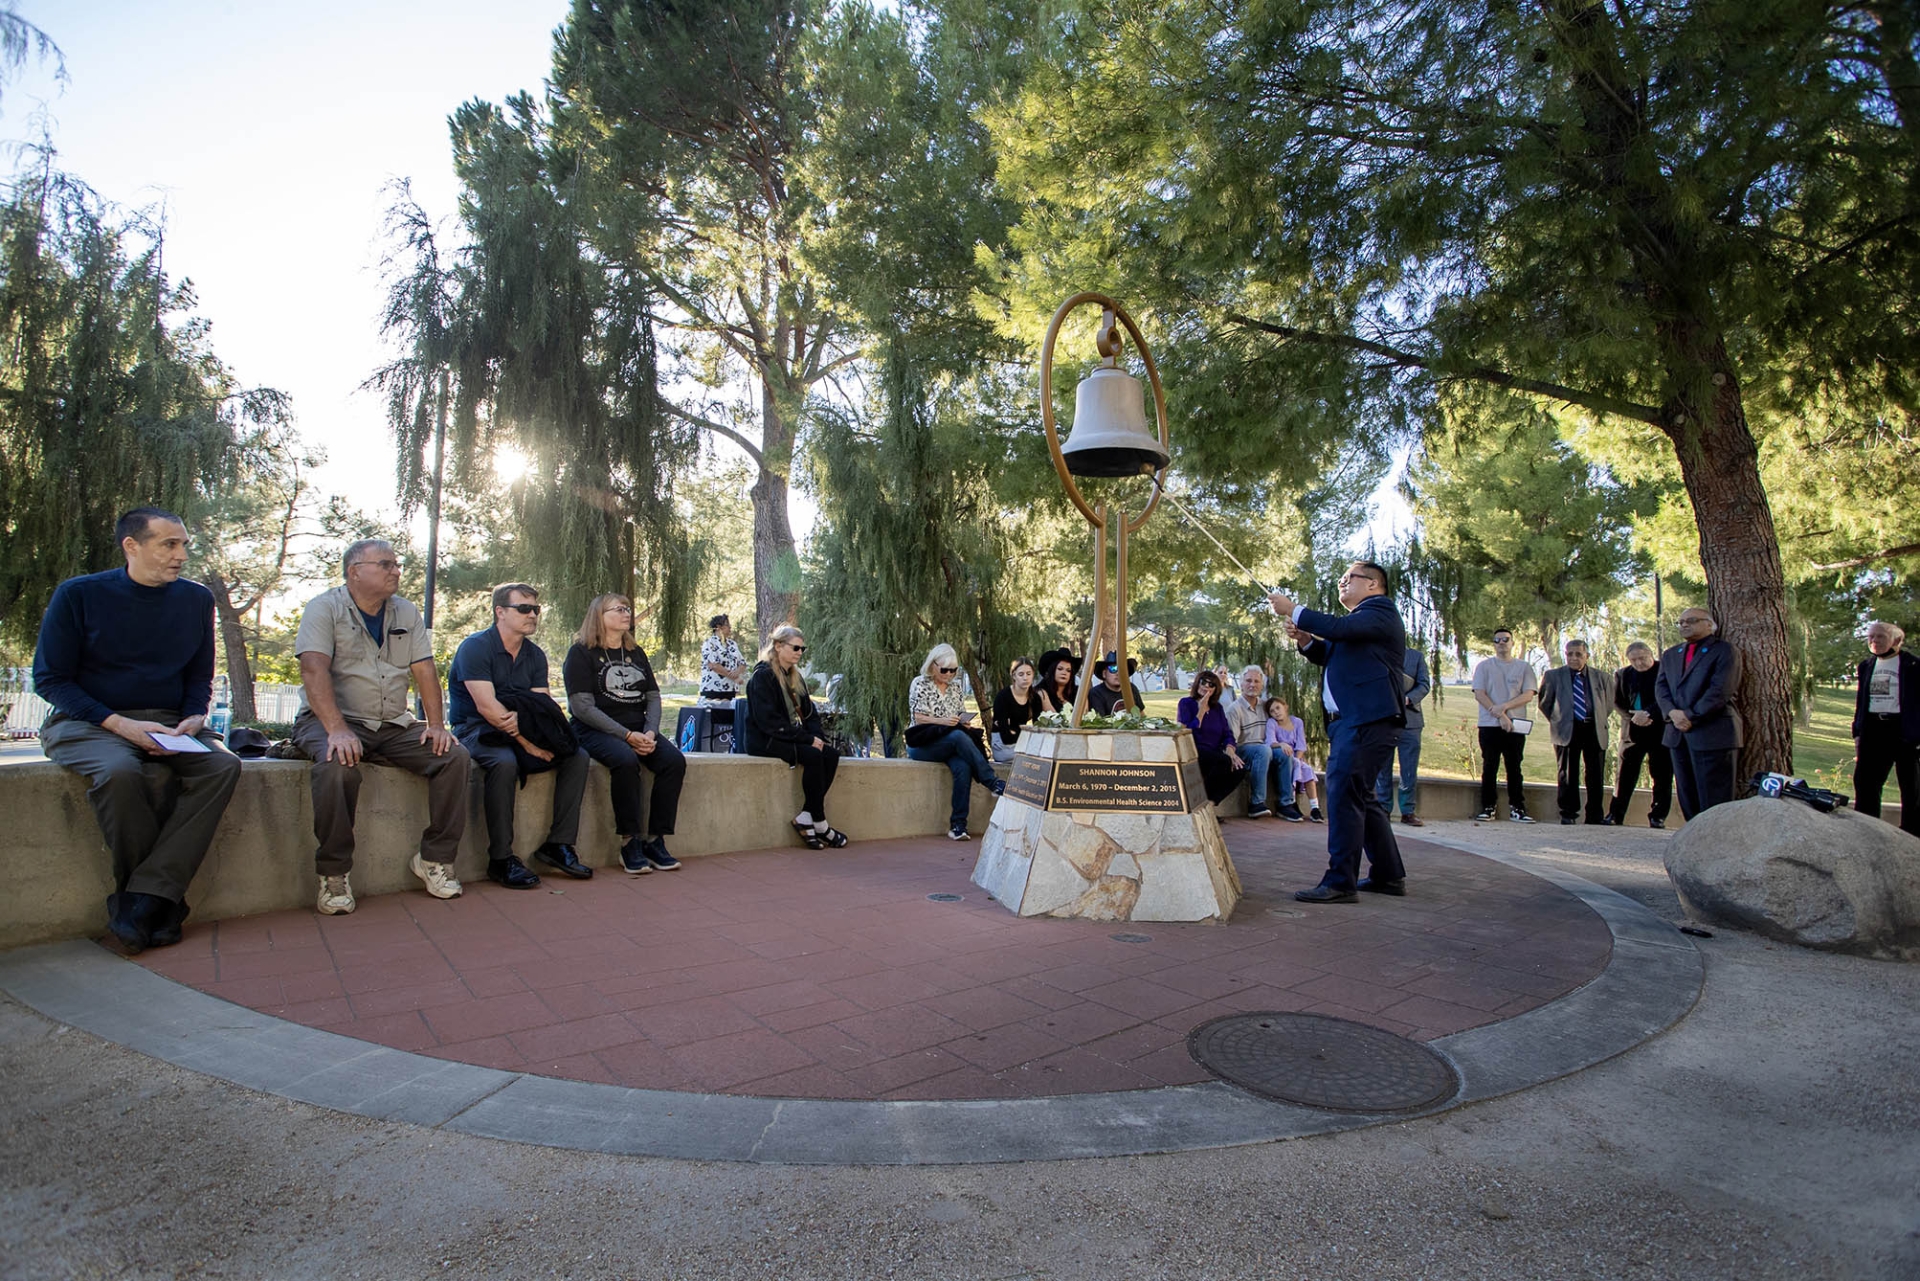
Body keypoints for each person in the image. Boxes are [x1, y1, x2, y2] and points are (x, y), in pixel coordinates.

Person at [32, 507, 243, 952]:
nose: (181, 554)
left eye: (184, 544)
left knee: (223, 766)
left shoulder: (196, 600)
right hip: (89, 721)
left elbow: (199, 676)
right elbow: (50, 680)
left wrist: (194, 715)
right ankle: (160, 903)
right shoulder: (79, 595)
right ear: (132, 546)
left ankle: (141, 899)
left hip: (169, 722)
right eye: (169, 544)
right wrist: (119, 724)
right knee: (121, 773)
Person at [290, 538, 469, 915]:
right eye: (385, 564)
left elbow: (424, 670)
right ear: (355, 571)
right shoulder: (324, 608)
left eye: (397, 564)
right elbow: (313, 669)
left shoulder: (406, 611)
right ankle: (334, 872)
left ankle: (434, 858)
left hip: (391, 723)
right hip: (332, 720)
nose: (396, 571)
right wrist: (337, 730)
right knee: (338, 766)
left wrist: (436, 725)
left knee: (453, 756)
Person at [1270, 561, 1409, 903]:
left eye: (1350, 578)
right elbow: (1330, 649)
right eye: (1341, 580)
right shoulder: (1358, 624)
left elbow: (1337, 630)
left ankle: (1340, 881)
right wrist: (1305, 640)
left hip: (1364, 720)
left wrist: (1295, 610)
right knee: (1361, 796)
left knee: (1346, 795)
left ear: (1374, 585)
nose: (1342, 583)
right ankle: (1388, 875)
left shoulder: (1380, 610)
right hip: (1354, 721)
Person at [449, 583, 592, 888]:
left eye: (536, 609)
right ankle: (500, 859)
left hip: (521, 728)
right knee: (504, 762)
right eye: (524, 609)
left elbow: (541, 709)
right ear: (500, 612)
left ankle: (558, 845)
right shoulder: (475, 647)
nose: (532, 615)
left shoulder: (535, 655)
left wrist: (538, 739)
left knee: (576, 756)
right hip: (475, 729)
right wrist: (529, 746)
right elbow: (490, 711)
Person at [563, 593, 687, 875]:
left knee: (673, 762)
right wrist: (626, 736)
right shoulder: (581, 653)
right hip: (594, 728)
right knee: (625, 760)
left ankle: (656, 840)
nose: (626, 613)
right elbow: (582, 707)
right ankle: (630, 841)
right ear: (599, 615)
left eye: (627, 608)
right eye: (618, 609)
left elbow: (653, 697)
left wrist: (651, 732)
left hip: (639, 727)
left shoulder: (636, 653)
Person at [746, 625, 848, 849]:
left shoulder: (795, 677)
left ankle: (806, 815)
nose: (800, 652)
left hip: (788, 736)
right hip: (767, 739)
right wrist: (806, 740)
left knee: (829, 754)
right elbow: (768, 722)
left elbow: (809, 713)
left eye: (803, 648)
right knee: (812, 755)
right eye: (795, 647)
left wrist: (816, 736)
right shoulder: (762, 677)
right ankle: (819, 821)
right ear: (778, 646)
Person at [907, 644, 1006, 840]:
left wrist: (963, 722)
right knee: (958, 737)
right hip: (923, 744)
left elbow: (959, 713)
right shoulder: (920, 683)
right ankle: (992, 782)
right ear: (933, 665)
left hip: (950, 742)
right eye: (944, 669)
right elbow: (918, 718)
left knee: (963, 767)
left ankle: (958, 825)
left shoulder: (956, 687)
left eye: (953, 670)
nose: (949, 674)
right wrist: (944, 721)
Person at [1656, 607, 1743, 819]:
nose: (1685, 624)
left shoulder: (1724, 651)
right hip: (1678, 735)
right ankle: (1693, 842)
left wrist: (1690, 715)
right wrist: (1673, 714)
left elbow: (1720, 690)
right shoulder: (1671, 655)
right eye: (1681, 622)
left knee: (1714, 801)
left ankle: (1714, 846)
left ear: (1709, 624)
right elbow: (1661, 688)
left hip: (1712, 734)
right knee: (1688, 796)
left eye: (1692, 620)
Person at [1851, 620, 1919, 836]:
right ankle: (1866, 829)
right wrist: (1858, 732)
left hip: (1902, 730)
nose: (1874, 641)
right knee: (1865, 781)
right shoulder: (1866, 666)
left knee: (1911, 785)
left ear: (1896, 640)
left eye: (1880, 636)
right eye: (1871, 636)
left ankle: (1912, 832)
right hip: (1873, 728)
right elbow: (1861, 701)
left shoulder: (1912, 666)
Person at [1537, 639, 1615, 825]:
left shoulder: (1602, 677)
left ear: (1586, 656)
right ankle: (1568, 813)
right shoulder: (1553, 676)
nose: (1573, 658)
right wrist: (1560, 720)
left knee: (1595, 774)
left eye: (1578, 654)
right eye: (1569, 654)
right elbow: (1545, 703)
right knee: (1567, 773)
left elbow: (1608, 705)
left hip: (1593, 729)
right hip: (1567, 730)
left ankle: (1594, 815)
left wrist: (1594, 718)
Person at [1472, 628, 1538, 823]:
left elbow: (1528, 694)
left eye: (1505, 639)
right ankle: (1488, 807)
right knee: (1490, 766)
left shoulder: (1523, 667)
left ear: (1512, 642)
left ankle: (1518, 808)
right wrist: (1498, 713)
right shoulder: (1484, 667)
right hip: (1489, 725)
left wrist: (1505, 708)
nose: (1502, 643)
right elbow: (1479, 693)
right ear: (1493, 644)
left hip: (1515, 725)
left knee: (1514, 767)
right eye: (1497, 640)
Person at [1606, 641, 1672, 828]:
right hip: (1632, 732)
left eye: (1642, 658)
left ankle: (1657, 816)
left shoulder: (1664, 671)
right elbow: (1617, 702)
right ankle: (1615, 814)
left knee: (1662, 775)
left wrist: (1649, 714)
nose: (1639, 663)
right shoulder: (1623, 674)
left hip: (1659, 729)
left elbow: (1668, 698)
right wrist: (1634, 717)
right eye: (1634, 660)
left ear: (1651, 654)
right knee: (1624, 776)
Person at [1375, 645, 1431, 826]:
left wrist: (1407, 699)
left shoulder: (1416, 657)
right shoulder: (1378, 653)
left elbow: (1424, 684)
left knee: (1409, 769)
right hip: (1384, 719)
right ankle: (1383, 808)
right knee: (1383, 768)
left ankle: (1408, 811)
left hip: (1411, 721)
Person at [1178, 669, 1248, 805]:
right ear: (1197, 683)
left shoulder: (1218, 708)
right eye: (1203, 682)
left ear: (1216, 690)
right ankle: (1199, 801)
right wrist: (1201, 712)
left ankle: (1209, 803)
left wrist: (1230, 748)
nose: (1206, 687)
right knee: (1223, 762)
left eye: (1211, 685)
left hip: (1215, 753)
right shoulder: (1186, 703)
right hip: (1195, 750)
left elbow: (1227, 733)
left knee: (1240, 769)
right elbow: (1187, 730)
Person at [1225, 667, 1274, 816]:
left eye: (1256, 681)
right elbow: (1231, 739)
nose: (1252, 685)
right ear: (1241, 684)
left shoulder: (1265, 706)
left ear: (1262, 685)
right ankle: (1256, 803)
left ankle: (1287, 803)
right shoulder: (1235, 709)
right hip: (1243, 750)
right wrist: (1231, 754)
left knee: (1285, 754)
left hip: (1266, 748)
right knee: (1263, 751)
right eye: (1248, 681)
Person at [1263, 696, 1321, 822]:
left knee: (1307, 769)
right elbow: (1270, 741)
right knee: (1292, 766)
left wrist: (1298, 758)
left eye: (1278, 708)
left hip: (1296, 757)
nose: (1276, 712)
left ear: (1285, 707)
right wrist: (1281, 744)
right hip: (1281, 756)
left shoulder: (1297, 722)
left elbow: (1301, 744)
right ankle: (1291, 803)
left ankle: (1315, 808)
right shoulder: (1272, 723)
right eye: (1272, 711)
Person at [990, 656, 1046, 764]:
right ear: (1014, 676)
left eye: (1028, 674)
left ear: (1033, 675)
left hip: (1022, 743)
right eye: (1021, 674)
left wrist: (1017, 732)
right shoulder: (1003, 697)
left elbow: (1039, 728)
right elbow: (1006, 736)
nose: (1025, 678)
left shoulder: (1035, 698)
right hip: (1003, 746)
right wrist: (1026, 734)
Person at [699, 613, 748, 706]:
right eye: (727, 625)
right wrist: (734, 677)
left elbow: (742, 663)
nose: (730, 628)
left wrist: (737, 672)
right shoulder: (709, 643)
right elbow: (714, 665)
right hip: (713, 689)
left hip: (730, 689)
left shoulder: (732, 644)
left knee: (728, 717)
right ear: (718, 627)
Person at [1034, 649, 1079, 714]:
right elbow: (1054, 719)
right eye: (1060, 669)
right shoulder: (1041, 692)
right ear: (1052, 671)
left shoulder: (1077, 692)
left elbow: (1085, 716)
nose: (1064, 673)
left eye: (1068, 670)